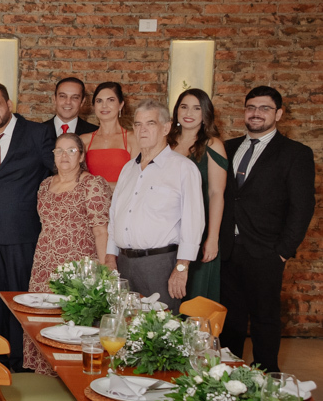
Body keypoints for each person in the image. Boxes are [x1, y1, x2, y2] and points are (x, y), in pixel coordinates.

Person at [219, 86, 315, 373]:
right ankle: (227, 378)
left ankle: (266, 381)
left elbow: (303, 207)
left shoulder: (295, 153)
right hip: (227, 250)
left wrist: (283, 252)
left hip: (265, 253)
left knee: (264, 320)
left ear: (279, 114)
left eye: (264, 108)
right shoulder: (227, 147)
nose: (256, 113)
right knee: (229, 320)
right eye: (251, 107)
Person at [0, 82, 54, 372]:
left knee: (20, 301)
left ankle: (21, 362)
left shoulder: (37, 133)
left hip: (22, 232)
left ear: (9, 104)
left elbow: (57, 174)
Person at [105, 99, 204, 314]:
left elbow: (193, 221)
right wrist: (110, 257)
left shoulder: (183, 168)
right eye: (138, 124)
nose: (142, 130)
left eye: (150, 123)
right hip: (123, 264)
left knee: (158, 334)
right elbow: (115, 216)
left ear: (166, 128)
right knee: (123, 329)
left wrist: (181, 267)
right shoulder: (127, 169)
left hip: (159, 265)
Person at [28, 133, 112, 374]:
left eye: (71, 150)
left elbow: (101, 230)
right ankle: (45, 379)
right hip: (45, 263)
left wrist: (103, 271)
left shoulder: (92, 184)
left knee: (72, 326)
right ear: (53, 155)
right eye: (59, 151)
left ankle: (72, 379)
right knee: (45, 322)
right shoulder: (45, 185)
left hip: (77, 268)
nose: (64, 156)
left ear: (82, 155)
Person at [167, 89, 228, 301]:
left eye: (196, 108)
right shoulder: (166, 142)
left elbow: (216, 194)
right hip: (167, 228)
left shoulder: (213, 145)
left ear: (205, 114)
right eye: (184, 106)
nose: (189, 112)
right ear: (176, 111)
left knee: (194, 296)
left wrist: (212, 238)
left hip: (198, 230)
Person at [82, 81, 135, 187]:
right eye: (99, 101)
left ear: (121, 104)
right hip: (90, 202)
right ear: (94, 106)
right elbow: (76, 179)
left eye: (111, 100)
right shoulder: (84, 140)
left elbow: (136, 180)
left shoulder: (133, 139)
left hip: (123, 201)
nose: (104, 105)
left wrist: (101, 188)